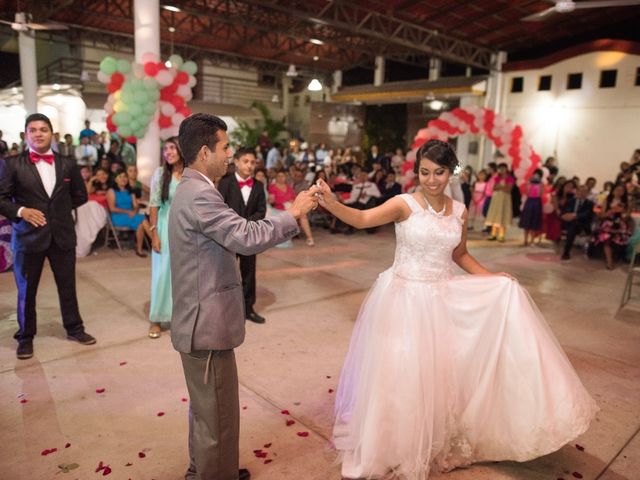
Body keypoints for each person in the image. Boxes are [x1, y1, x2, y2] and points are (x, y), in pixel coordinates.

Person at [316, 139, 598, 479]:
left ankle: (431, 437)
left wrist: (493, 278)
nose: (431, 179)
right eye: (424, 172)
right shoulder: (404, 204)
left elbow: (459, 254)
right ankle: (393, 443)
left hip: (441, 299)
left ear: (451, 172)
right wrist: (332, 204)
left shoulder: (460, 211)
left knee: (437, 374)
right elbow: (361, 218)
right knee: (402, 372)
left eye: (438, 172)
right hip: (403, 298)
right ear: (416, 171)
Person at [168, 113, 318, 480]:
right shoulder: (200, 194)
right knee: (217, 415)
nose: (231, 155)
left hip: (199, 320)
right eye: (225, 147)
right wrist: (294, 213)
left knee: (207, 411)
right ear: (205, 152)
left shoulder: (193, 188)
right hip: (207, 324)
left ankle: (200, 470)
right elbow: (247, 236)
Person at [0, 113, 96, 359]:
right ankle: (25, 337)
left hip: (61, 235)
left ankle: (75, 328)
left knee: (67, 286)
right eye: (33, 130)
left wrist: (58, 213)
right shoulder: (12, 164)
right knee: (26, 290)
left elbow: (80, 196)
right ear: (26, 135)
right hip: (28, 237)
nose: (39, 134)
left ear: (52, 133)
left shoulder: (67, 163)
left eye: (43, 129)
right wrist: (22, 211)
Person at [218, 147, 268, 324]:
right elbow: (221, 208)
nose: (249, 165)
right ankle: (226, 310)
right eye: (246, 161)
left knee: (248, 273)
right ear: (236, 162)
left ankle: (248, 308)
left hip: (249, 237)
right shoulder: (225, 183)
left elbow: (261, 210)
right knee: (227, 274)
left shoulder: (259, 185)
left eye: (253, 162)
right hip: (229, 236)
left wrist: (247, 224)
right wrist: (234, 225)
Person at [148, 137, 184, 338]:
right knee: (162, 275)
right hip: (164, 226)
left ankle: (178, 317)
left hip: (187, 230)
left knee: (183, 276)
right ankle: (156, 319)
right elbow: (154, 204)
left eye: (172, 148)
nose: (168, 152)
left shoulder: (191, 175)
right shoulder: (161, 174)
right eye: (165, 149)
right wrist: (154, 233)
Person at [106, 170, 152, 257]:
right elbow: (112, 208)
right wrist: (128, 211)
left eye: (125, 176)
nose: (123, 179)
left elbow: (135, 205)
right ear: (115, 179)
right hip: (118, 216)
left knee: (141, 223)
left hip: (131, 215)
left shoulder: (130, 190)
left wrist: (134, 211)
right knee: (142, 218)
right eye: (120, 177)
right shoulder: (111, 191)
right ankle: (155, 242)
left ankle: (140, 250)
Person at [269, 170, 315, 246]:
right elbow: (272, 202)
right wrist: (284, 201)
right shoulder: (272, 187)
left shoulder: (289, 188)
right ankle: (308, 237)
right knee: (300, 214)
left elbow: (295, 199)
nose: (281, 178)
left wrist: (291, 201)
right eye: (279, 176)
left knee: (303, 214)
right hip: (279, 208)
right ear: (276, 178)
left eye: (283, 176)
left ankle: (310, 238)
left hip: (290, 207)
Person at [560, 184, 594, 260]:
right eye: (580, 191)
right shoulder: (570, 201)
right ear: (577, 191)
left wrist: (574, 216)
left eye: (584, 191)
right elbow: (565, 211)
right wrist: (567, 215)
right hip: (570, 222)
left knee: (572, 228)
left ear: (587, 193)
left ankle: (566, 252)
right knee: (572, 227)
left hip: (582, 223)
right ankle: (566, 252)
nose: (581, 193)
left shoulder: (589, 203)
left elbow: (587, 214)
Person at [485, 162, 514, 242]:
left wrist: (500, 187)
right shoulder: (497, 177)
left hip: (505, 200)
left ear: (506, 169)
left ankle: (501, 235)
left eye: (503, 168)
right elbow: (494, 188)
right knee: (495, 215)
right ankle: (493, 234)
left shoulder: (510, 178)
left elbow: (508, 189)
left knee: (503, 215)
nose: (501, 170)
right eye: (500, 168)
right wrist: (503, 187)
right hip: (496, 199)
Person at [518, 168, 544, 246]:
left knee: (534, 221)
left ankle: (532, 240)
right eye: (535, 174)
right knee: (527, 220)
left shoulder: (541, 184)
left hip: (537, 202)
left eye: (538, 175)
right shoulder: (529, 182)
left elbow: (540, 194)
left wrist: (538, 184)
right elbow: (527, 192)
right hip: (529, 201)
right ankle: (525, 240)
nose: (536, 176)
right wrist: (530, 184)